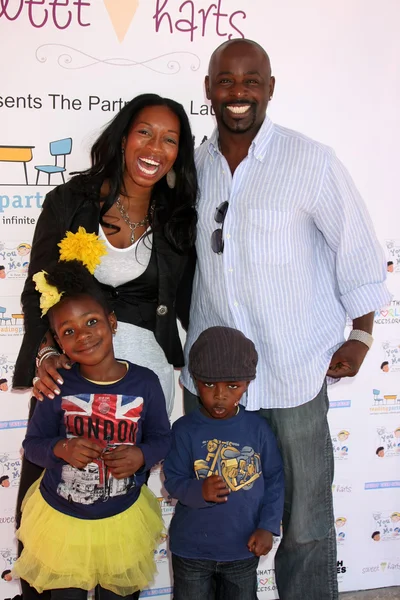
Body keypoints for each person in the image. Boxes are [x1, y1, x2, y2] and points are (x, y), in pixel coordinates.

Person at [180, 39, 391, 600]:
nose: (239, 92)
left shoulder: (311, 160)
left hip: (294, 372)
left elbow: (357, 251)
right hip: (214, 382)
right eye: (226, 80)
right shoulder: (192, 169)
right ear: (209, 88)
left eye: (252, 81)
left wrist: (362, 332)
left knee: (304, 522)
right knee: (214, 514)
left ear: (270, 88)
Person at [12, 93, 197, 600]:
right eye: (145, 132)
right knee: (50, 511)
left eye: (170, 139)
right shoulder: (72, 201)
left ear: (179, 155)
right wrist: (47, 352)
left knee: (116, 514)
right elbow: (39, 289)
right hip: (69, 376)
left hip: (142, 384)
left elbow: (189, 301)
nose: (155, 147)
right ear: (123, 135)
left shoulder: (179, 221)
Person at [12, 248, 171, 599]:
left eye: (92, 322)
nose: (83, 335)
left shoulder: (144, 382)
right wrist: (61, 448)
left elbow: (163, 437)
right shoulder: (58, 385)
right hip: (63, 521)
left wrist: (142, 455)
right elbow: (32, 446)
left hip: (123, 520)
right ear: (58, 344)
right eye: (68, 331)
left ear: (111, 321)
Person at [164, 326, 284, 600]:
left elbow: (275, 479)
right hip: (191, 550)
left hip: (243, 547)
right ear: (194, 381)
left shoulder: (259, 429)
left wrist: (268, 526)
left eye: (233, 386)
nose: (220, 395)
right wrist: (199, 491)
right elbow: (172, 480)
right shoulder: (184, 429)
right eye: (208, 385)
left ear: (247, 384)